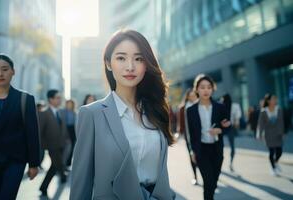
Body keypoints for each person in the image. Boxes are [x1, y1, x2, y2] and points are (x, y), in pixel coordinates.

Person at [70, 29, 176, 200]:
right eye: (121, 58)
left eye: (138, 58)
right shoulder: (91, 114)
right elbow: (81, 182)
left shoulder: (156, 111)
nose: (130, 66)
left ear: (146, 64)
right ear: (108, 63)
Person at [0, 54, 40, 199]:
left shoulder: (25, 99)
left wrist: (34, 164)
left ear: (13, 71)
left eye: (5, 69)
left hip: (14, 161)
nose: (0, 74)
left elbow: (32, 133)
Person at [187, 74, 230, 200]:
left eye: (209, 87)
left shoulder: (220, 107)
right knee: (208, 182)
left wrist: (220, 129)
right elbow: (191, 134)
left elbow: (228, 126)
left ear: (212, 89)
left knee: (213, 182)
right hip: (201, 150)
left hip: (217, 149)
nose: (206, 90)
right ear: (197, 89)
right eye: (202, 87)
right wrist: (192, 151)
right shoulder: (191, 110)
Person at [39, 89, 69, 197]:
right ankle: (60, 178)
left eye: (60, 97)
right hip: (51, 146)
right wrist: (44, 146)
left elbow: (63, 128)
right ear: (50, 99)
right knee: (57, 165)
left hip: (61, 145)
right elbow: (40, 132)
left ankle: (44, 186)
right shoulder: (44, 113)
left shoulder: (60, 112)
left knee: (54, 166)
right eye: (57, 98)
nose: (59, 100)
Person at [258, 93, 284, 176]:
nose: (275, 100)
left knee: (279, 151)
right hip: (268, 135)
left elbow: (281, 122)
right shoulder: (264, 111)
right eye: (273, 99)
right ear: (268, 101)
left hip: (278, 134)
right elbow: (261, 124)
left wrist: (282, 132)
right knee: (272, 152)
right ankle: (273, 168)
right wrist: (259, 134)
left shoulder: (278, 109)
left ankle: (276, 162)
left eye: (275, 99)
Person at [177, 88, 199, 185]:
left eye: (194, 95)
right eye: (190, 95)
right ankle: (195, 176)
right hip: (188, 136)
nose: (192, 97)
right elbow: (181, 123)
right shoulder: (183, 108)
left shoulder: (201, 105)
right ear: (187, 97)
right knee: (192, 155)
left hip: (200, 136)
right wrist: (180, 133)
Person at [221, 94, 242, 172]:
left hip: (224, 128)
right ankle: (230, 163)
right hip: (229, 128)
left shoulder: (223, 106)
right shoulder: (235, 106)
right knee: (231, 147)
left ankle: (227, 163)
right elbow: (237, 120)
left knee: (221, 147)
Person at [62, 99, 76, 168]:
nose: (69, 105)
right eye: (68, 104)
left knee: (72, 147)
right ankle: (64, 163)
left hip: (73, 130)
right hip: (66, 130)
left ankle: (68, 163)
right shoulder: (63, 112)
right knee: (67, 147)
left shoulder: (74, 112)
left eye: (71, 104)